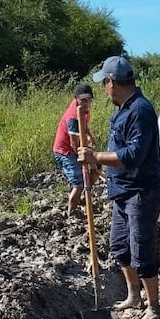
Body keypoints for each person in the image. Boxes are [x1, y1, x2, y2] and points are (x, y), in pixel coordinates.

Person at [79, 56, 160, 319]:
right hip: (122, 191)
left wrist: (96, 157)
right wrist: (96, 168)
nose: (104, 90)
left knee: (141, 250)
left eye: (104, 83)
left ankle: (154, 306)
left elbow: (133, 155)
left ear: (112, 82)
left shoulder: (140, 110)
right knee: (120, 246)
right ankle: (134, 296)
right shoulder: (122, 110)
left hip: (142, 192)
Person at [53, 82, 95, 220]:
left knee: (95, 168)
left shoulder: (84, 109)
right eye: (83, 100)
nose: (86, 102)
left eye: (89, 99)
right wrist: (81, 157)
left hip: (75, 147)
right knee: (78, 181)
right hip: (65, 151)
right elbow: (73, 142)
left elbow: (84, 126)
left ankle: (82, 196)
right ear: (76, 98)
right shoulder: (72, 115)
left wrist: (90, 138)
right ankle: (71, 212)